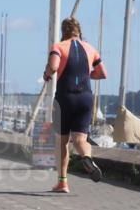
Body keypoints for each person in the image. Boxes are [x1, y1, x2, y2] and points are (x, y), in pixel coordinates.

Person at [42, 17, 107, 193]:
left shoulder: (58, 47)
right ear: (79, 31)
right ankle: (87, 157)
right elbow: (102, 73)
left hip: (65, 98)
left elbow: (53, 66)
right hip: (85, 98)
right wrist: (86, 74)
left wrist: (46, 74)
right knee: (80, 140)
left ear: (64, 31)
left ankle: (63, 182)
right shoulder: (91, 48)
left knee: (62, 141)